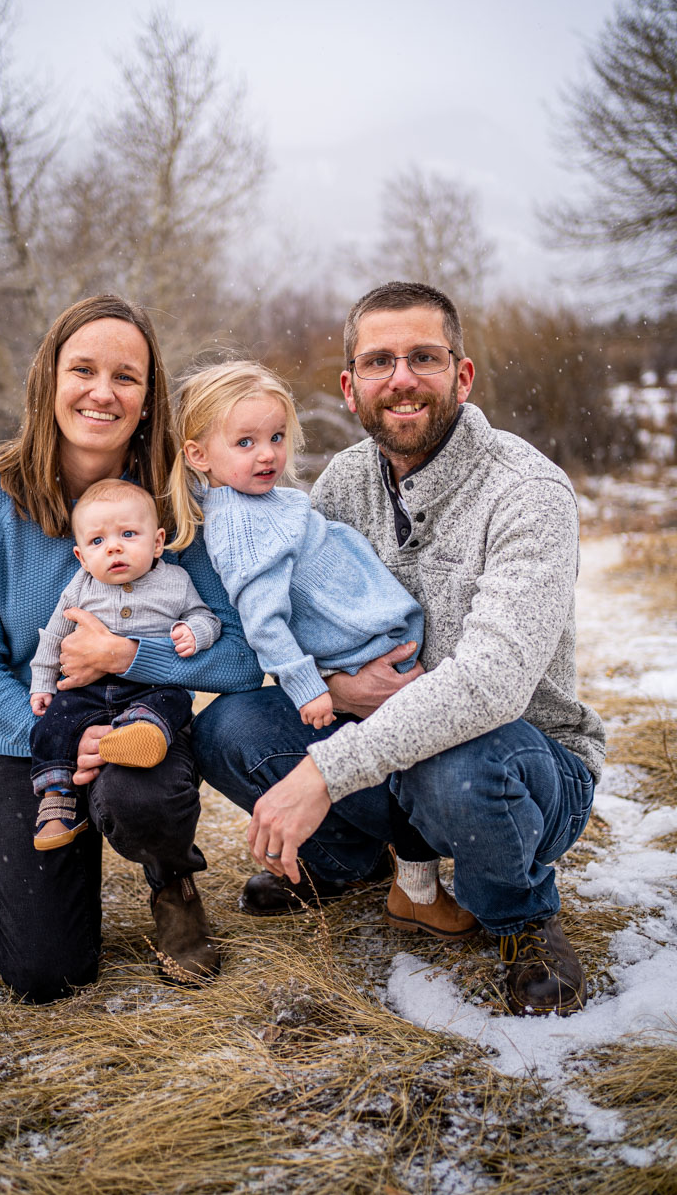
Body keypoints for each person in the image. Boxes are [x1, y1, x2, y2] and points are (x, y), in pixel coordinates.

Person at [193, 281, 605, 1016]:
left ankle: (521, 916)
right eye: (380, 361)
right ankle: (347, 862)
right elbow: (290, 615)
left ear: (462, 375)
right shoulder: (345, 481)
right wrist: (337, 689)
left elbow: (493, 687)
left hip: (523, 756)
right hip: (386, 740)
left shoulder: (527, 490)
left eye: (424, 357)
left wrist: (324, 773)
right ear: (351, 388)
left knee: (461, 762)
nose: (403, 378)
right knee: (228, 728)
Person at [0, 295, 264, 1002]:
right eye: (82, 369)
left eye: (127, 376)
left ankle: (172, 882)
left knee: (139, 784)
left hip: (141, 722)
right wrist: (54, 735)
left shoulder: (179, 501)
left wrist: (129, 660)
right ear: (48, 379)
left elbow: (241, 657)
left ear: (148, 397)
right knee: (44, 974)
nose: (102, 392)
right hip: (34, 740)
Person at [168, 360, 424, 732]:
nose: (268, 454)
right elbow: (263, 620)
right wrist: (308, 688)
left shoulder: (256, 500)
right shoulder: (239, 526)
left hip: (377, 641)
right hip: (366, 653)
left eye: (276, 437)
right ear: (198, 456)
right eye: (245, 442)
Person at [29, 478, 221, 850]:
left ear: (158, 542)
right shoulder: (80, 587)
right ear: (82, 557)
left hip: (150, 687)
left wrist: (194, 631)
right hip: (87, 691)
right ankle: (57, 798)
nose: (114, 546)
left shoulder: (176, 581)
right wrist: (41, 682)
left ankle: (140, 733)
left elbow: (207, 617)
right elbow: (53, 637)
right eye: (97, 541)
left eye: (129, 534)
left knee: (174, 700)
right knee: (52, 724)